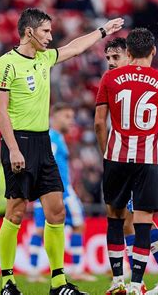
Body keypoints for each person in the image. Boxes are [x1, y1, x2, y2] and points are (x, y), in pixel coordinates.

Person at [0, 7, 123, 295]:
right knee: (15, 212)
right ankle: (7, 282)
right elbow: (0, 112)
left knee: (57, 211)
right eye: (46, 31)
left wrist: (103, 31)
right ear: (29, 32)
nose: (50, 37)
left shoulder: (43, 59)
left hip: (42, 143)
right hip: (19, 143)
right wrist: (13, 149)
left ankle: (59, 283)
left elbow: (74, 48)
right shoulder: (6, 64)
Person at [95, 28, 158, 295]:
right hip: (147, 160)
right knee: (136, 222)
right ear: (154, 51)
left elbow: (100, 122)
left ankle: (135, 280)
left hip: (120, 158)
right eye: (108, 57)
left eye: (116, 56)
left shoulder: (111, 79)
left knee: (124, 220)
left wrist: (107, 155)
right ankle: (138, 283)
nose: (111, 61)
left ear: (129, 54)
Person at [28, 103, 96, 283]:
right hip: (60, 191)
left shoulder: (55, 137)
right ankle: (77, 268)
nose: (71, 121)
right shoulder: (53, 138)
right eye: (67, 116)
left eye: (72, 117)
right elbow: (43, 163)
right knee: (79, 225)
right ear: (54, 116)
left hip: (42, 190)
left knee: (40, 230)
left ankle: (33, 271)